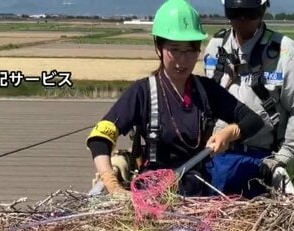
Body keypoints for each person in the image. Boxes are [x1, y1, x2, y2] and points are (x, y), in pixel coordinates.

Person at [86, 0, 264, 196]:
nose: (183, 60)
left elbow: (253, 121)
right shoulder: (143, 92)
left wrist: (229, 133)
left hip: (199, 196)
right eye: (175, 50)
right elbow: (100, 138)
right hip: (153, 194)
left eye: (190, 50)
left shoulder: (206, 90)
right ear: (159, 48)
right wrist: (112, 184)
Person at [203, 0, 294, 198]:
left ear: (263, 11)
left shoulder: (284, 51)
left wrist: (282, 159)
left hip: (263, 161)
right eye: (236, 13)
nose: (242, 20)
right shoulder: (215, 47)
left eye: (249, 13)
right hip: (218, 158)